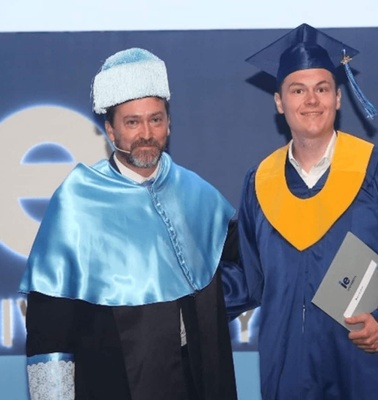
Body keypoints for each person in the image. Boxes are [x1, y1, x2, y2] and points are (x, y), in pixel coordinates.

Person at [19, 47, 238, 400]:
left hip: (198, 378)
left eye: (156, 119)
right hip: (114, 382)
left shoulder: (196, 192)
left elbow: (248, 262)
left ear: (169, 122)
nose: (146, 133)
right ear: (110, 130)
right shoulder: (78, 200)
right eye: (132, 122)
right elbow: (49, 323)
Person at [222, 23, 378, 400]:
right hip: (285, 364)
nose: (312, 100)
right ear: (279, 102)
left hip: (361, 362)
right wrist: (176, 306)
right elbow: (247, 276)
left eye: (322, 89)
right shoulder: (260, 182)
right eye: (298, 90)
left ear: (338, 98)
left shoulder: (371, 169)